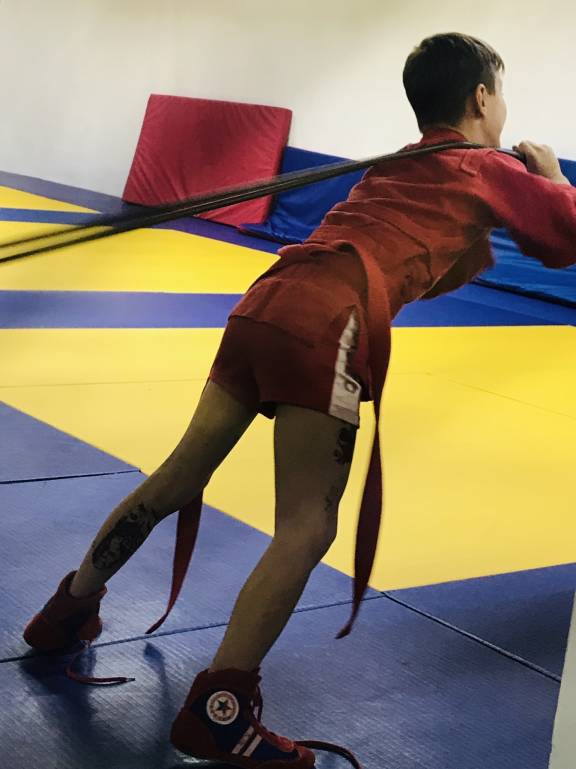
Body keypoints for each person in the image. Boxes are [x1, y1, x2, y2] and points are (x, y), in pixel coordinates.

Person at [23, 32, 576, 769]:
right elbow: (565, 238)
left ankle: (65, 612)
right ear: (481, 97)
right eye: (499, 94)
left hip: (267, 300)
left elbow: (427, 261)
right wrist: (551, 177)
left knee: (179, 475)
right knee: (307, 525)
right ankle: (220, 712)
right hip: (328, 320)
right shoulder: (488, 167)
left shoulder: (397, 168)